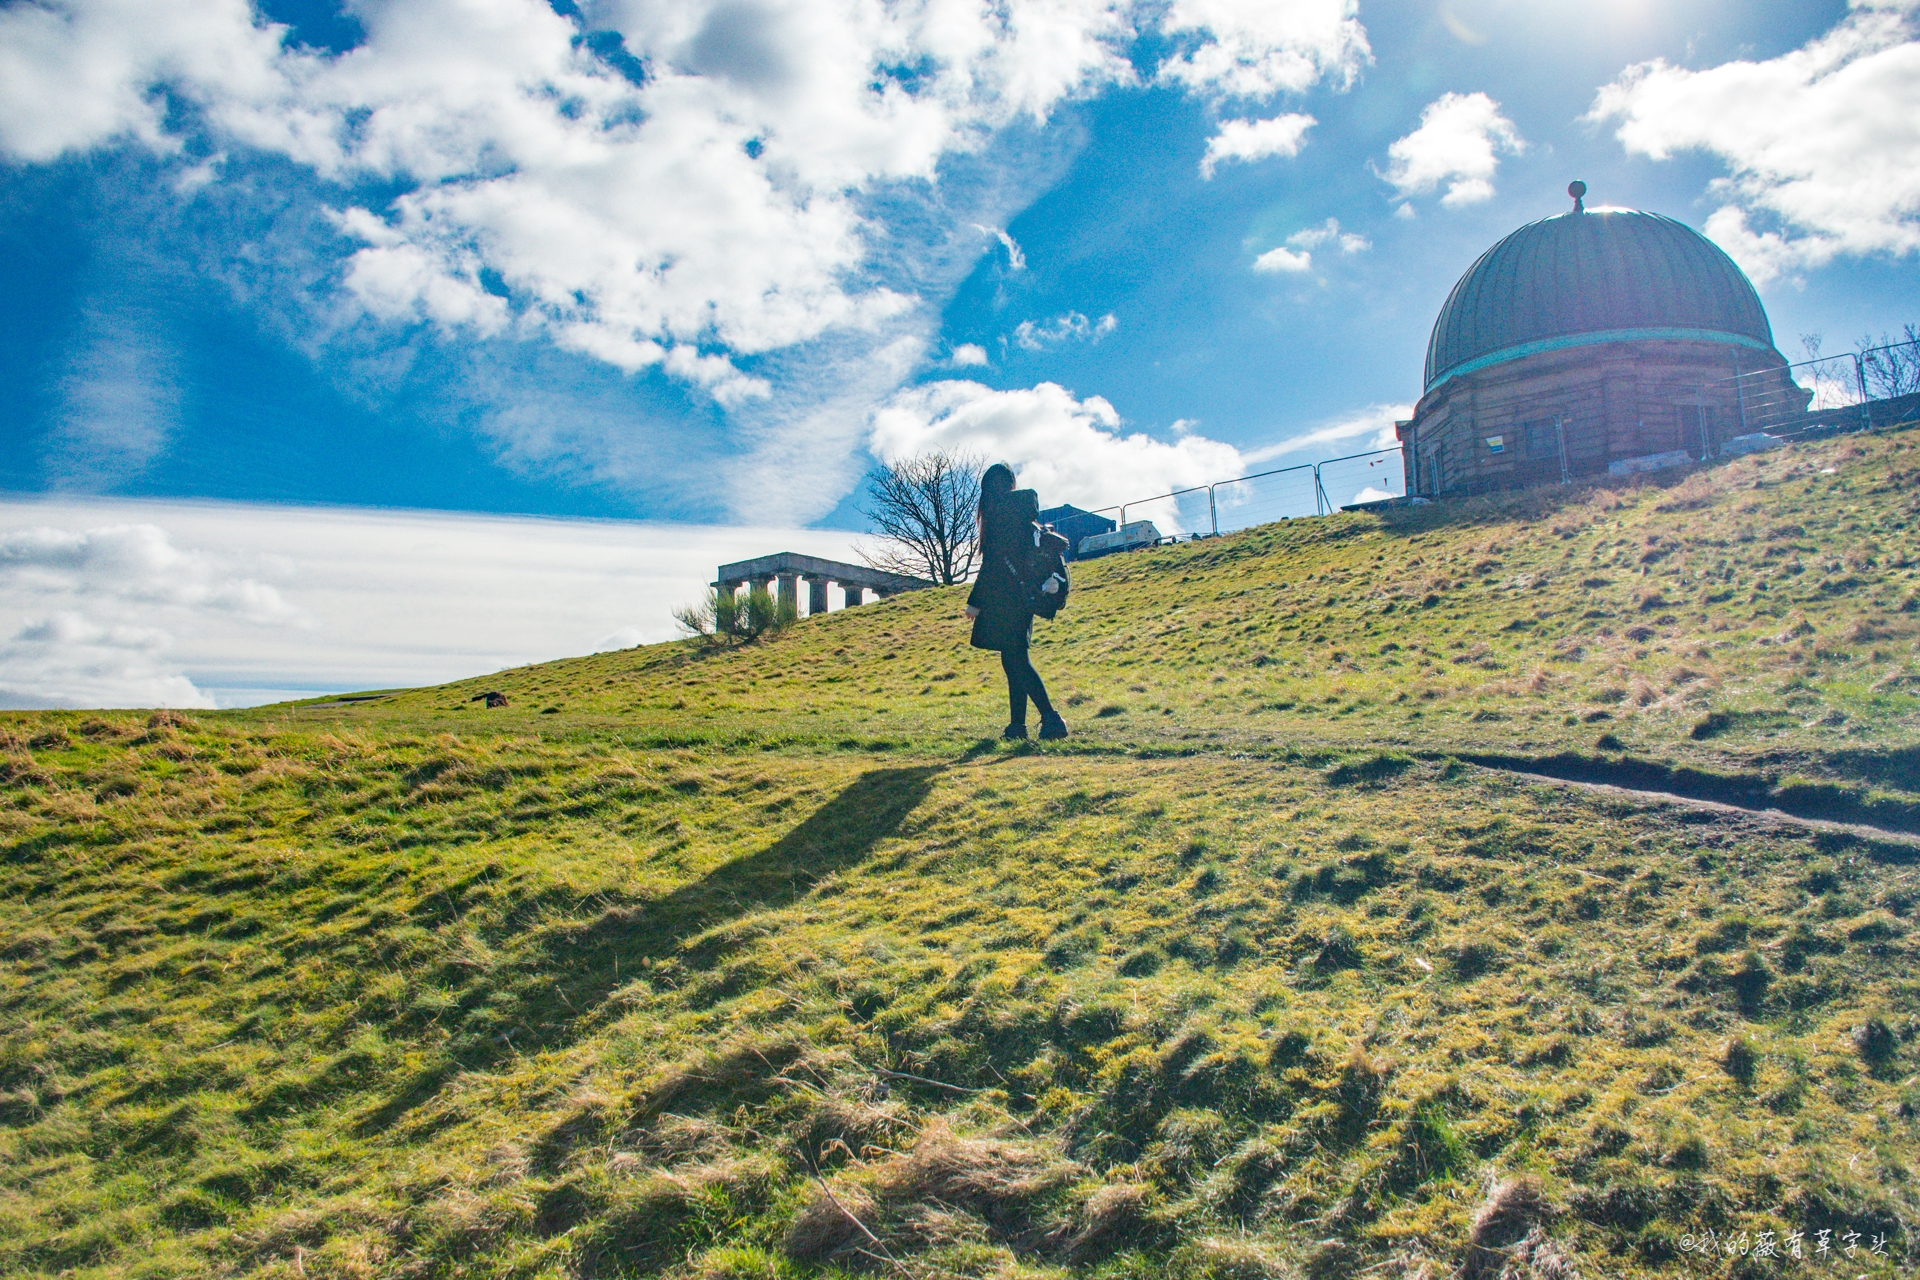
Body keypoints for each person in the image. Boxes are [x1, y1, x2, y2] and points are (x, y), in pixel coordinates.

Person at [965, 463, 1068, 740]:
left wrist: (975, 602)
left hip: (1006, 600)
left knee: (1017, 662)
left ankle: (1051, 718)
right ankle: (1017, 727)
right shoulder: (1021, 514)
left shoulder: (999, 516)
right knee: (1014, 662)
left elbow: (993, 565)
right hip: (1025, 596)